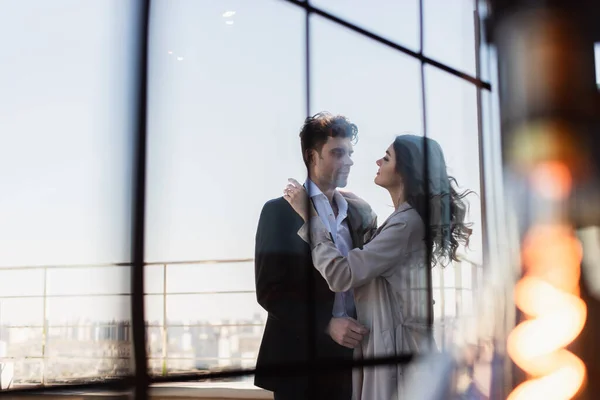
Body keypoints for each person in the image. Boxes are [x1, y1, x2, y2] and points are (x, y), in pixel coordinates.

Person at [284, 134, 473, 400]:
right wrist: (358, 207)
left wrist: (311, 218)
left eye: (386, 157)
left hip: (394, 351)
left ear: (406, 170)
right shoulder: (404, 220)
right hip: (392, 345)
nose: (377, 161)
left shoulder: (406, 224)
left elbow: (342, 275)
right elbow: (378, 256)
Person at [254, 112, 378, 400]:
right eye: (337, 153)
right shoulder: (279, 211)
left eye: (350, 153)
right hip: (300, 362)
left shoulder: (357, 212)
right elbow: (270, 291)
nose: (348, 160)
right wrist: (327, 323)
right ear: (312, 156)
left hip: (353, 358)